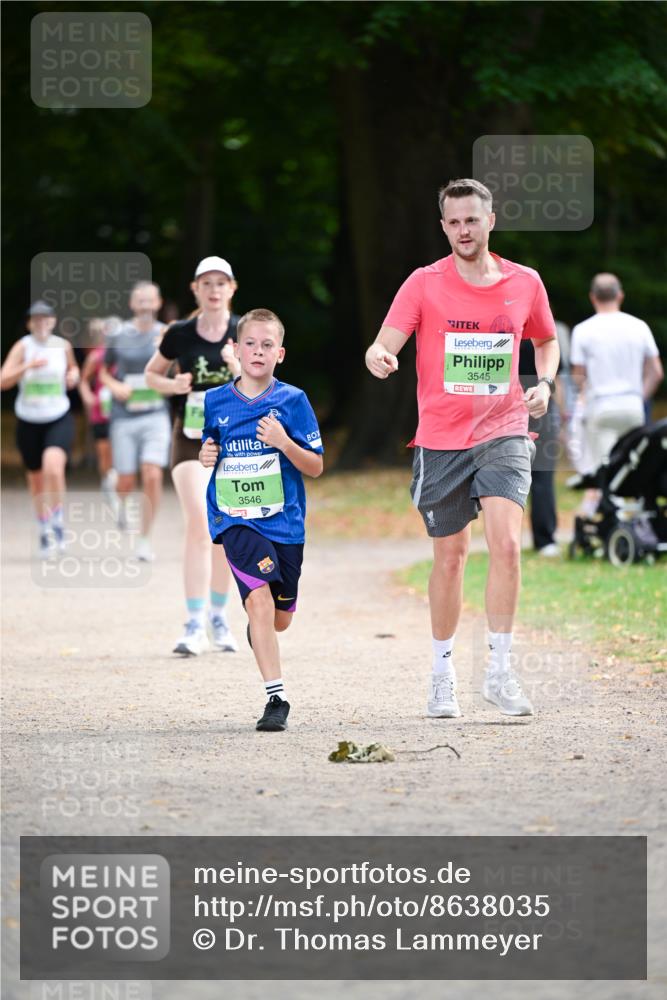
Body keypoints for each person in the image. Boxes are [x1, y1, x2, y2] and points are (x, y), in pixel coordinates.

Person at [365, 178, 559, 719]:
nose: (463, 230)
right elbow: (386, 340)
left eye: (472, 219)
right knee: (450, 558)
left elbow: (545, 339)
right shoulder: (424, 283)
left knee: (506, 545)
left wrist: (543, 383)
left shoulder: (525, 282)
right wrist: (378, 356)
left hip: (505, 429)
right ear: (443, 225)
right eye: (453, 222)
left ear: (490, 220)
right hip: (442, 437)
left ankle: (499, 671)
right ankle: (442, 672)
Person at [199, 308, 323, 731]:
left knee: (278, 618)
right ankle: (276, 698)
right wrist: (205, 454)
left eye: (267, 344)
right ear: (234, 349)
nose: (257, 351)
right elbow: (209, 445)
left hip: (284, 524)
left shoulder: (293, 401)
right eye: (249, 343)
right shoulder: (215, 401)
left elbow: (315, 466)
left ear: (280, 353)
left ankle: (263, 627)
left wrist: (283, 441)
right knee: (258, 600)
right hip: (234, 519)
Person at [145, 257, 241, 656]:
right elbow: (151, 375)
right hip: (189, 437)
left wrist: (239, 370)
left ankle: (219, 616)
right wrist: (174, 385)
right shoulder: (180, 333)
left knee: (225, 531)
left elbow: (270, 380)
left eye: (221, 283)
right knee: (200, 522)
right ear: (195, 290)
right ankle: (193, 622)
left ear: (232, 288)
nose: (214, 289)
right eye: (207, 283)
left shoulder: (244, 331)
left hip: (235, 440)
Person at [570, 273, 663, 514]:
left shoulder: (583, 330)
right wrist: (639, 396)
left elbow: (579, 376)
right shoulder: (638, 326)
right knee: (634, 465)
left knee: (605, 469)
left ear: (593, 298)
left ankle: (608, 518)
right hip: (632, 406)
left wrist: (584, 395)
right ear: (620, 295)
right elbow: (656, 372)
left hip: (601, 407)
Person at [0, 301, 79, 556]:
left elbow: (73, 369)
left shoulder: (62, 346)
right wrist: (26, 367)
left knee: (53, 467)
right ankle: (43, 527)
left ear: (53, 322)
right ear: (29, 323)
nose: (41, 323)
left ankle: (57, 520)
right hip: (28, 420)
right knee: (36, 479)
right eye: (36, 319)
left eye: (46, 319)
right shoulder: (23, 347)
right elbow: (3, 381)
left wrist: (73, 376)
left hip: (57, 416)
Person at [100, 282, 169, 558]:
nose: (144, 305)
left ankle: (144, 539)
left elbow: (178, 366)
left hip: (155, 414)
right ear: (131, 304)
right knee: (127, 481)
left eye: (149, 301)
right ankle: (114, 486)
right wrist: (113, 386)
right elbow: (102, 371)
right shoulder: (118, 334)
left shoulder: (166, 333)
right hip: (124, 416)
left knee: (152, 473)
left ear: (158, 303)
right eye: (139, 301)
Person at [78, 318, 117, 506]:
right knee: (104, 452)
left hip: (122, 412)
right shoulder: (96, 356)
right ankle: (108, 483)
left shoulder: (124, 354)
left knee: (120, 451)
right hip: (100, 412)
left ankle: (116, 483)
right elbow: (83, 379)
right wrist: (87, 396)